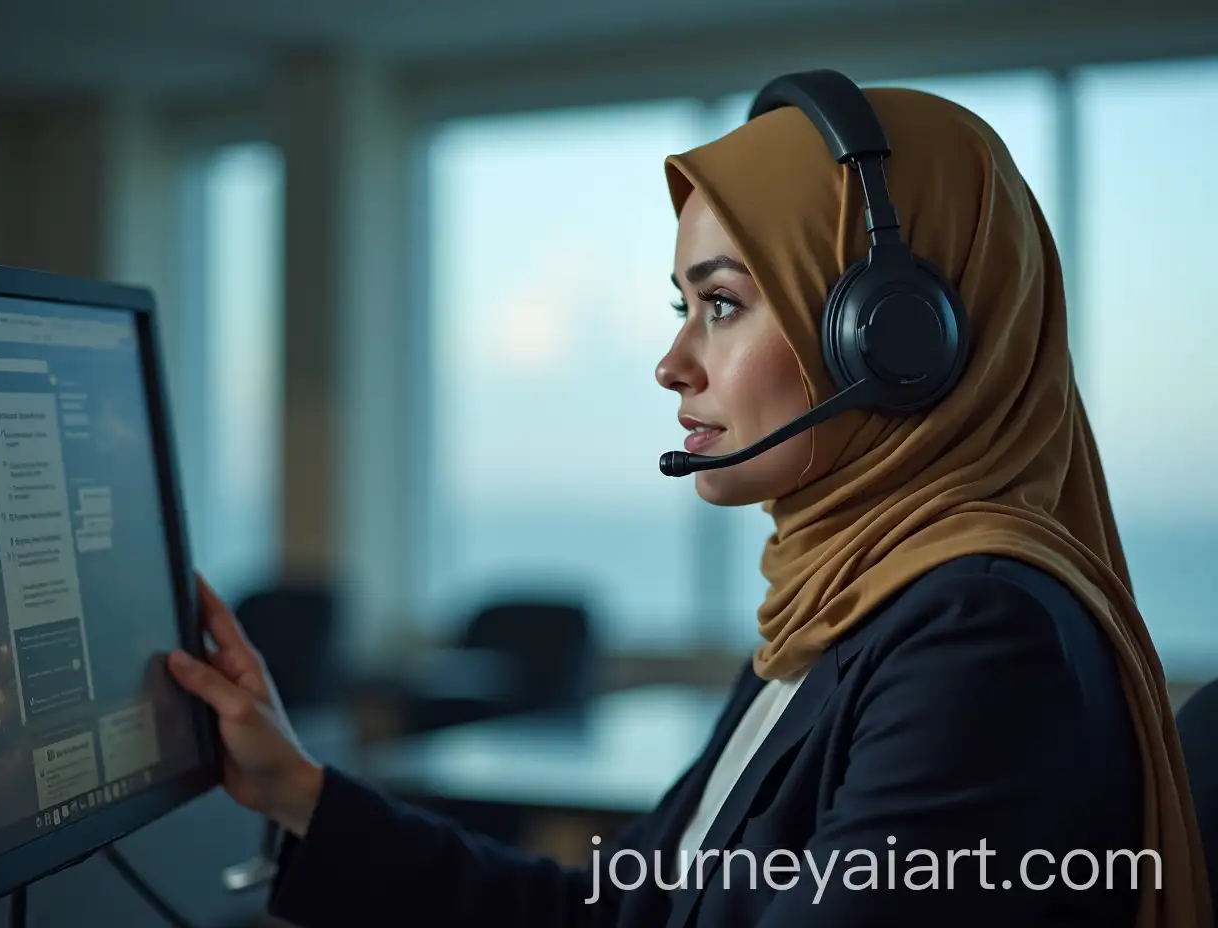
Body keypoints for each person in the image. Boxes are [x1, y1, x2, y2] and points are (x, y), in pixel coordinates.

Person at [166, 74, 1211, 927]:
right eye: (685, 306)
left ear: (893, 344)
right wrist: (295, 787)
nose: (671, 363)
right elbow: (615, 911)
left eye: (721, 305)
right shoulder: (830, 605)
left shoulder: (979, 636)